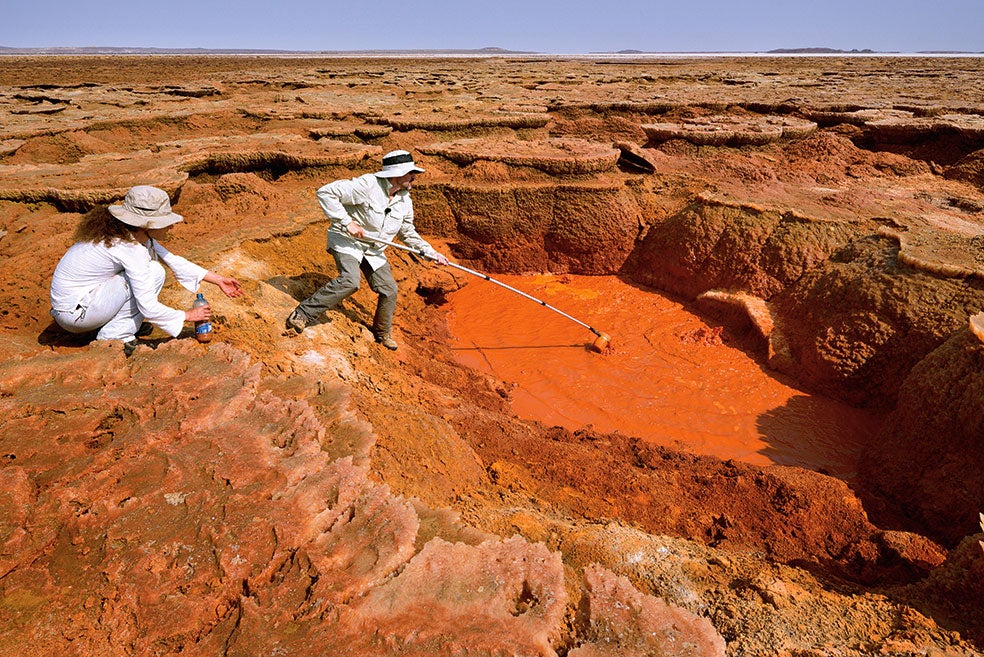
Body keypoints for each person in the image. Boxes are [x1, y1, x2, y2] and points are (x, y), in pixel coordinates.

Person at [49, 185, 244, 355]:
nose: (171, 226)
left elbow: (173, 260)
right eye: (165, 221)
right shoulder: (129, 249)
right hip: (75, 316)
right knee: (152, 272)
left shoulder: (128, 235)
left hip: (78, 307)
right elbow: (147, 305)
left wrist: (218, 280)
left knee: (154, 270)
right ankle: (115, 336)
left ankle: (119, 326)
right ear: (146, 224)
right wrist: (186, 316)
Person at [286, 150, 449, 350]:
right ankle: (303, 313)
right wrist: (347, 222)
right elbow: (325, 192)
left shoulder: (405, 200)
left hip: (373, 249)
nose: (414, 177)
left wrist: (431, 252)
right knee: (350, 281)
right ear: (396, 173)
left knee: (389, 290)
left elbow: (407, 232)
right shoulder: (367, 185)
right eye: (410, 173)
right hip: (347, 240)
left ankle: (382, 333)